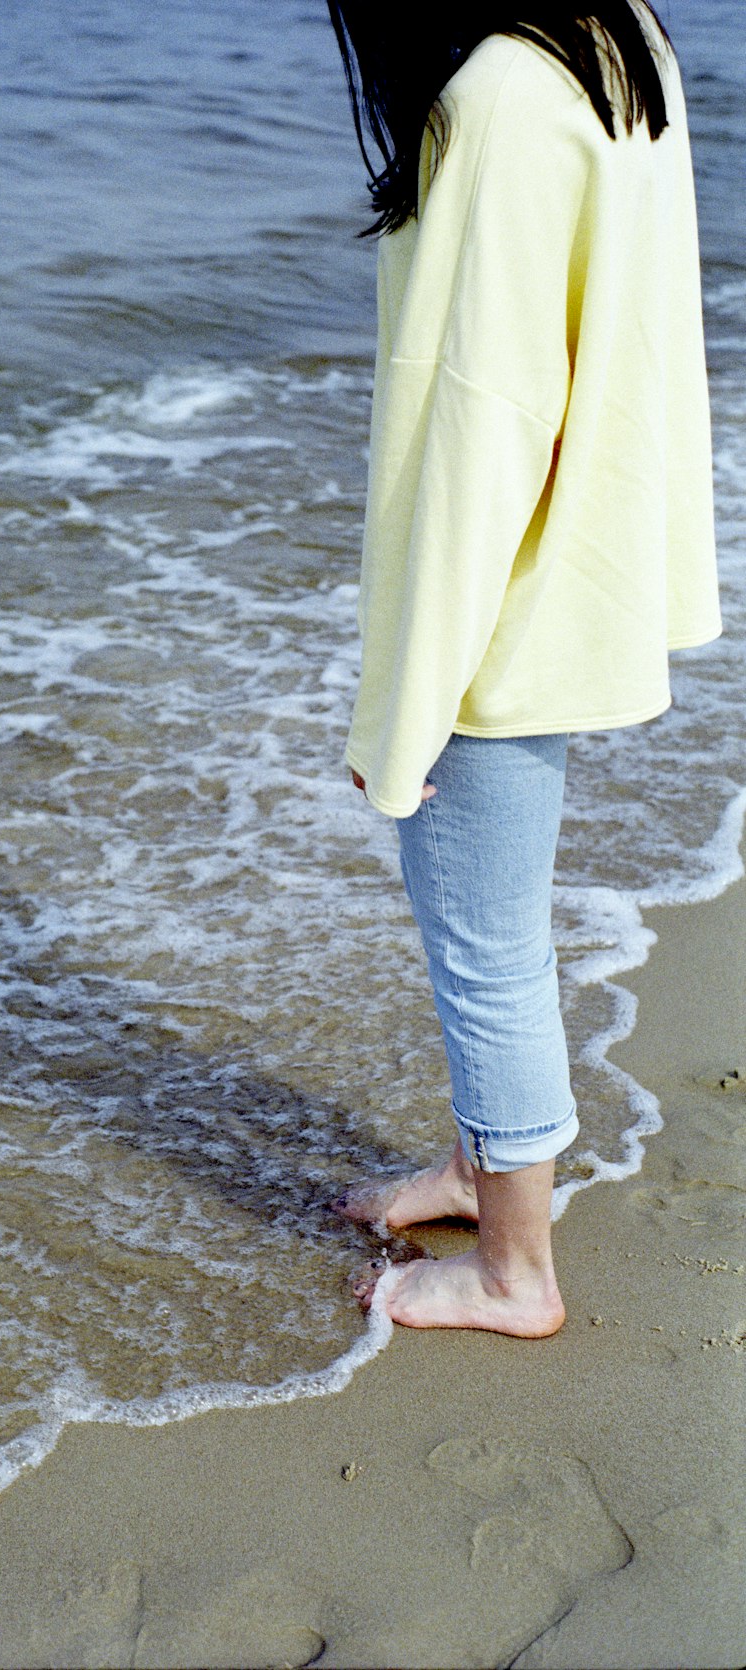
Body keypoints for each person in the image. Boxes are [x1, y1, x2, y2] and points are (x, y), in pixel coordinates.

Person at [325, 1, 722, 1335]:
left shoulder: (495, 96)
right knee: (490, 918)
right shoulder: (617, 35)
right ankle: (477, 1167)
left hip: (499, 596)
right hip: (580, 561)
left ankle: (514, 1269)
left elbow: (479, 430)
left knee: (486, 937)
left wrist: (409, 697)